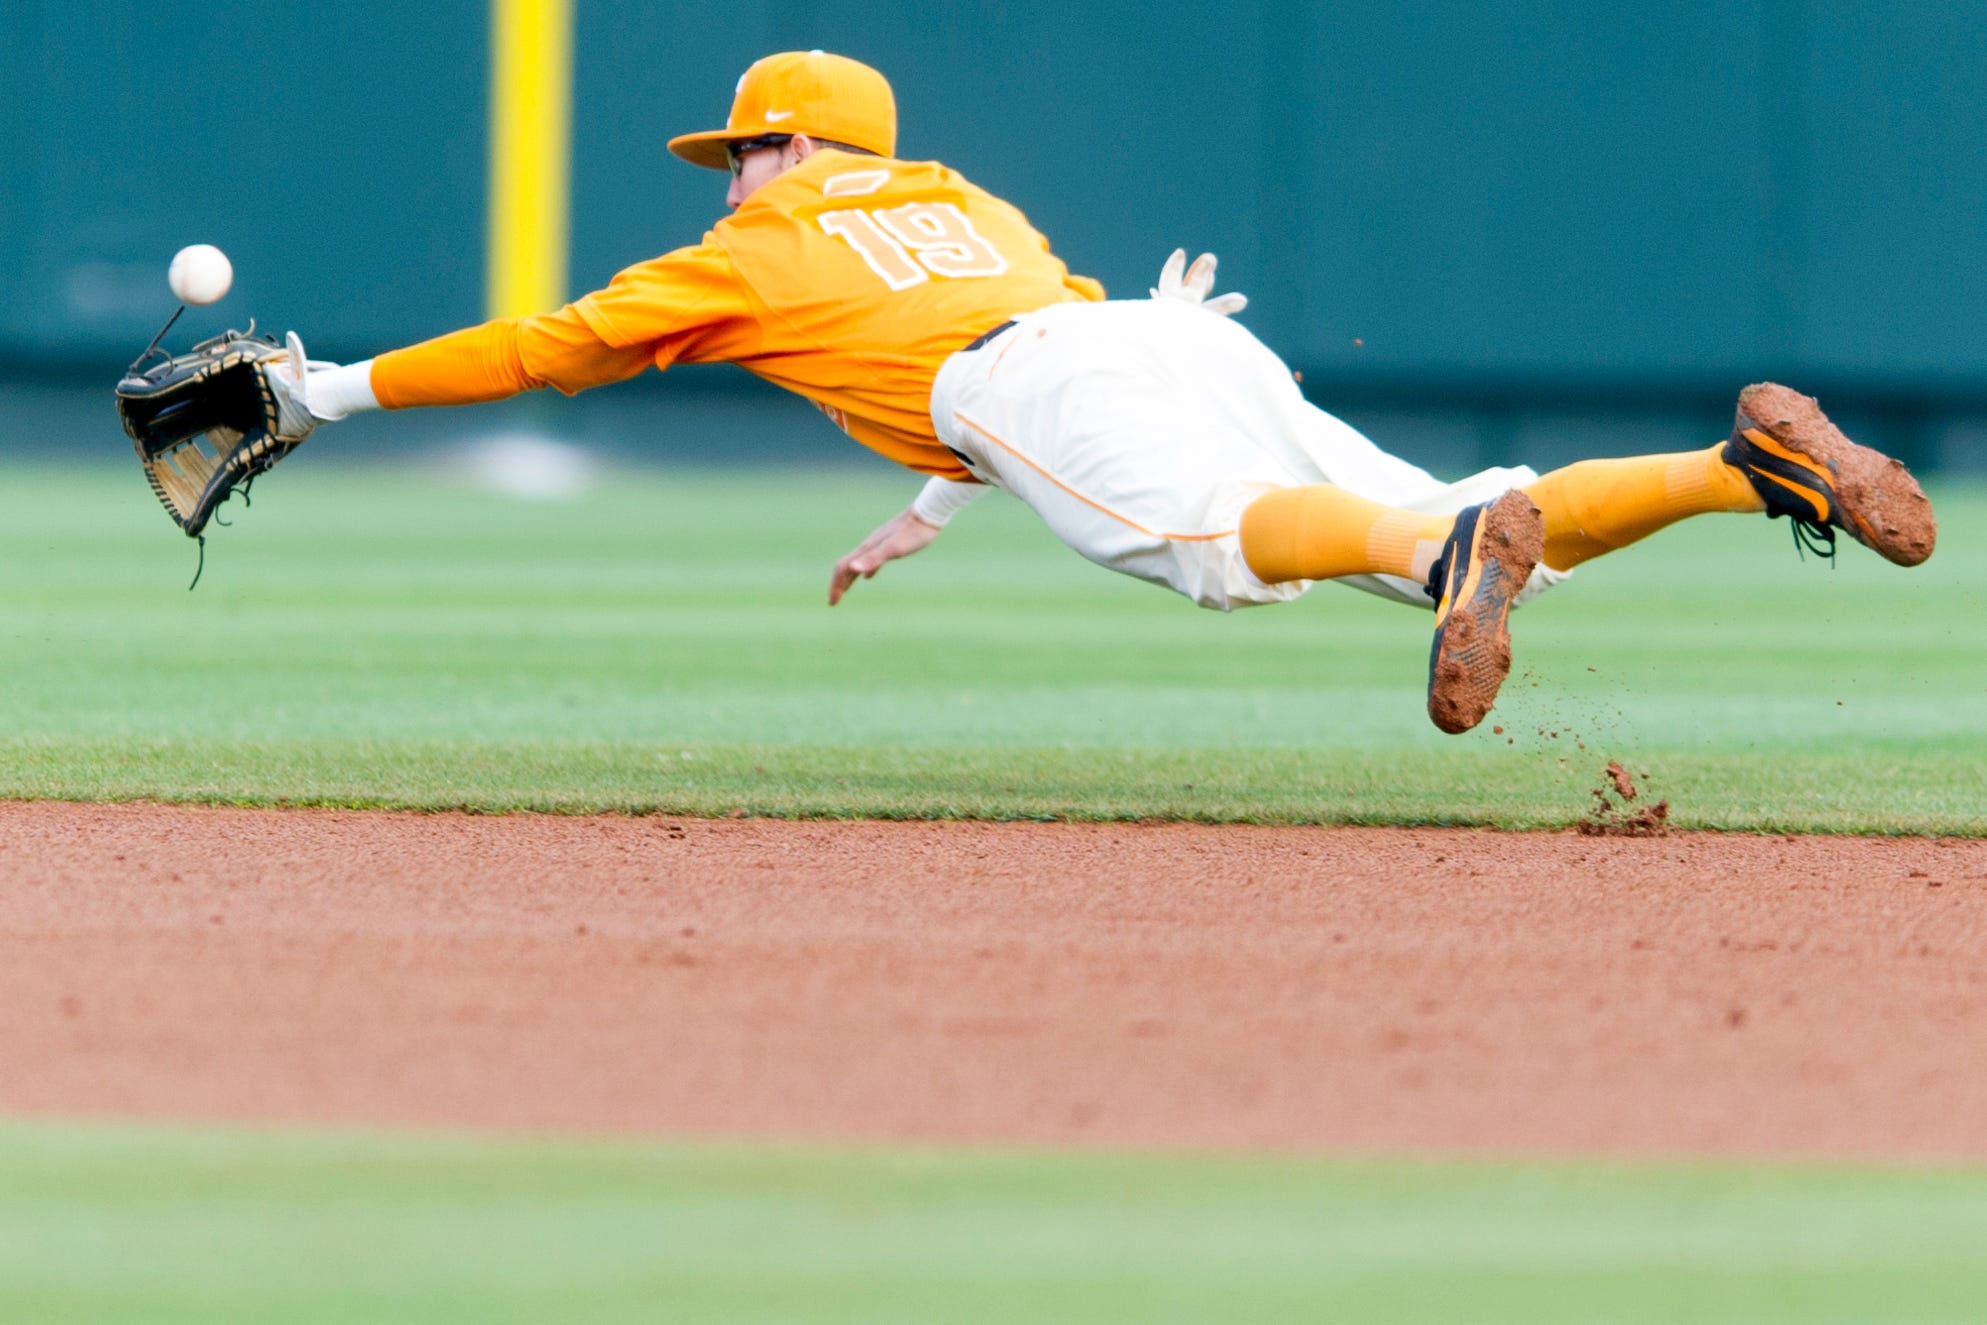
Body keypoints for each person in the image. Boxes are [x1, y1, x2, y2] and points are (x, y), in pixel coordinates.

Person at [283, 51, 1937, 734]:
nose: (730, 175)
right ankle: (1747, 472)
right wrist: (933, 503)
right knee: (1437, 514)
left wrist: (334, 392)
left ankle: (1452, 560)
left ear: (798, 149)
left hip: (1035, 373)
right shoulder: (959, 196)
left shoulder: (753, 250)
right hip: (1166, 333)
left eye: (744, 149)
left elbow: (539, 348)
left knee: (1219, 548)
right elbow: (1037, 351)